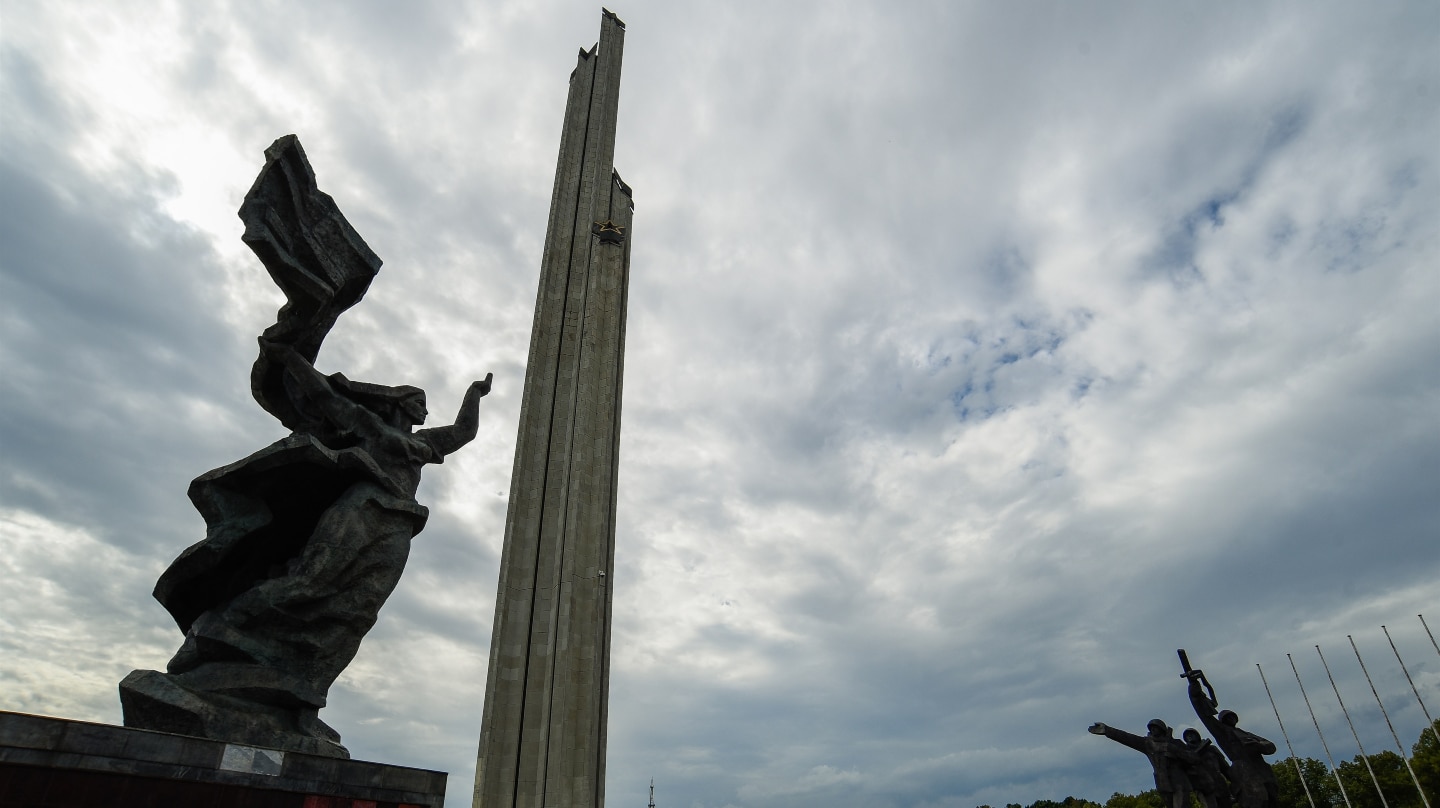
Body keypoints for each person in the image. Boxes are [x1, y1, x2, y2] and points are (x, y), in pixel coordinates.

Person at [1186, 670, 1278, 808]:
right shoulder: (1222, 731)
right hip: (1243, 770)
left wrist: (1260, 745)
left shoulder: (1245, 733)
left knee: (1273, 799)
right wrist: (1194, 690)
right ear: (1223, 721)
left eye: (1232, 716)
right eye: (1227, 717)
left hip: (1261, 768)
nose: (1231, 718)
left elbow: (1270, 746)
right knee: (1258, 801)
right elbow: (1204, 715)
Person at [1089, 719, 1194, 808]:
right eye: (1151, 728)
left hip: (1179, 781)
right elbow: (1127, 738)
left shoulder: (1175, 743)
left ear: (1161, 729)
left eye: (1155, 727)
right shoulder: (1148, 744)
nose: (1153, 729)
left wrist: (1175, 751)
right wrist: (1107, 730)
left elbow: (1193, 759)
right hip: (1163, 783)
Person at [1181, 727, 1235, 808]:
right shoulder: (1187, 755)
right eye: (1187, 736)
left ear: (1197, 736)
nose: (1189, 736)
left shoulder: (1211, 748)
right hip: (1204, 788)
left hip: (1220, 784)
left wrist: (1235, 780)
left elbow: (1225, 767)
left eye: (1192, 734)